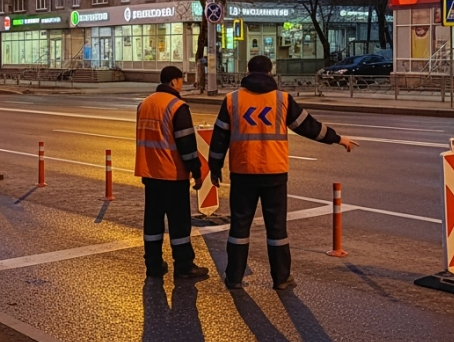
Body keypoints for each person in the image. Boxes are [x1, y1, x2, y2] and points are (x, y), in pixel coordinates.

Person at [207, 55, 358, 290]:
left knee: (239, 227)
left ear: (248, 72)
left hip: (243, 171)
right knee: (277, 228)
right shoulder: (282, 99)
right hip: (274, 174)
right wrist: (338, 139)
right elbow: (309, 127)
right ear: (270, 73)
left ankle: (234, 277)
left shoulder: (232, 100)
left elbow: (219, 138)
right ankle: (281, 278)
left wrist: (214, 169)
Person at [135, 66, 209, 280]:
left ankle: (153, 265)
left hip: (149, 173)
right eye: (181, 81)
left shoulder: (144, 104)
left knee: (153, 221)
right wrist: (196, 172)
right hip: (172, 174)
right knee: (179, 223)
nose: (182, 85)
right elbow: (187, 145)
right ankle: (184, 266)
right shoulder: (177, 107)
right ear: (174, 82)